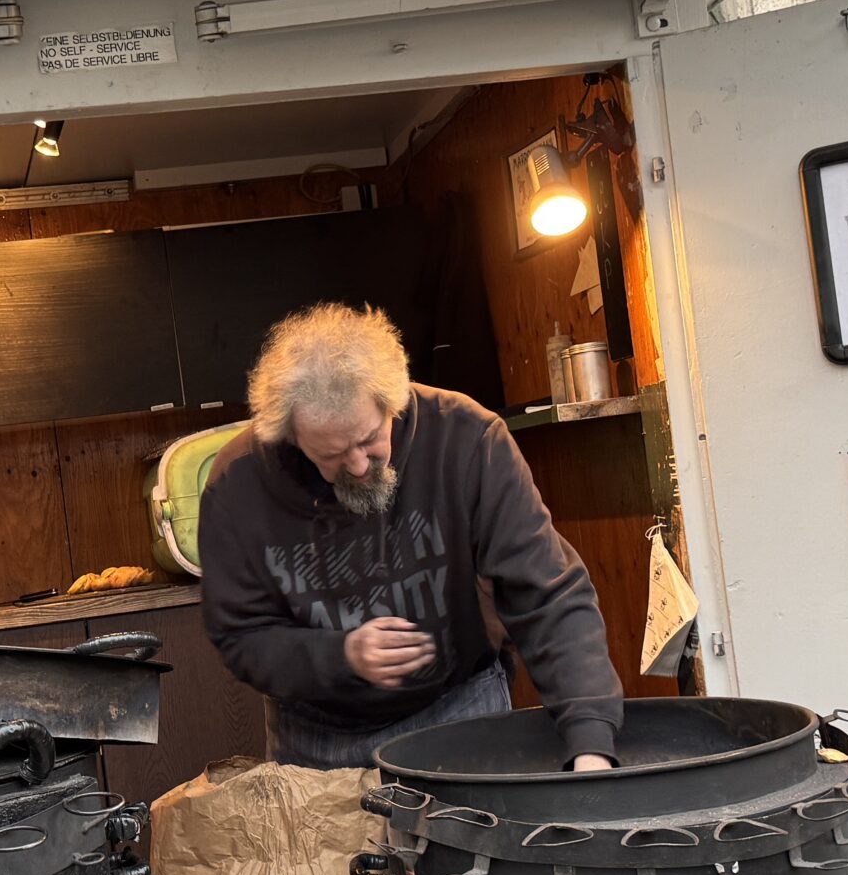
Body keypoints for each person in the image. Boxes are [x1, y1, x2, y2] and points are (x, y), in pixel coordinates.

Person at [200, 304, 623, 777]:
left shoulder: (466, 439)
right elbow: (240, 635)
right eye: (330, 455)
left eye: (369, 439)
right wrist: (339, 656)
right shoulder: (238, 483)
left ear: (393, 401)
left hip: (461, 713)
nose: (359, 466)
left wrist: (590, 740)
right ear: (292, 439)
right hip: (317, 743)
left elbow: (547, 593)